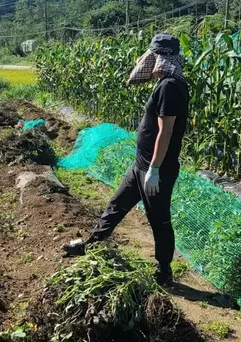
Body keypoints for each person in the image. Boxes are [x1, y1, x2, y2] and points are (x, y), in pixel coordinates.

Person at [64, 33, 190, 287]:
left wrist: (154, 169)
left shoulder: (170, 87)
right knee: (116, 204)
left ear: (161, 59)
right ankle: (93, 245)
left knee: (159, 219)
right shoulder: (165, 83)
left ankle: (164, 271)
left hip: (156, 170)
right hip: (140, 165)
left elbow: (166, 132)